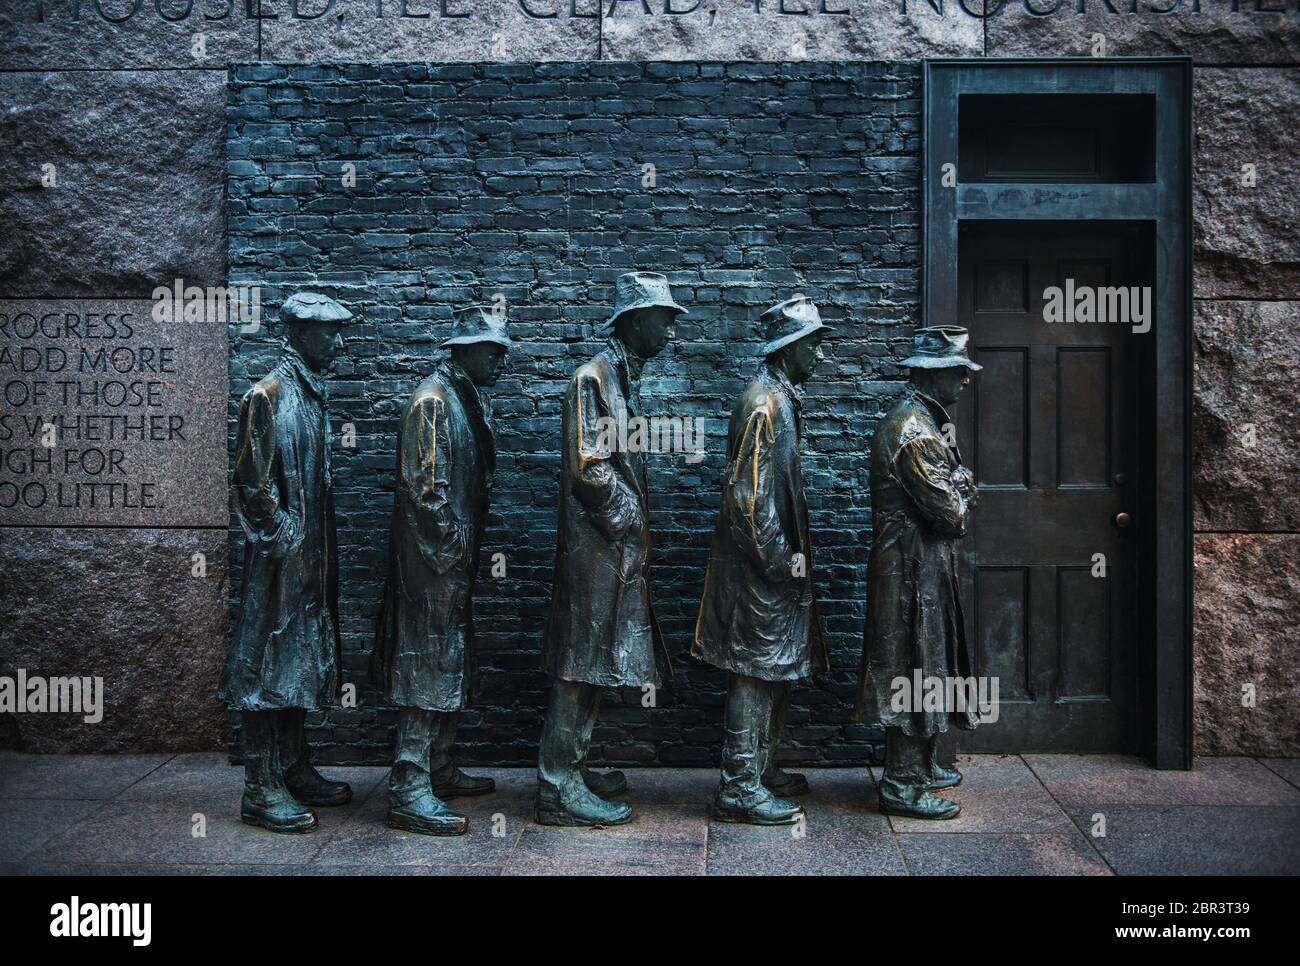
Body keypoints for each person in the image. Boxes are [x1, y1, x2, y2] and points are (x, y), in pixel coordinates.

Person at [536, 272, 685, 827]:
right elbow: (589, 465)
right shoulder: (591, 378)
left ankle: (572, 766)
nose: (670, 332)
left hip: (611, 553)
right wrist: (629, 519)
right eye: (663, 319)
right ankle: (556, 787)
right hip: (595, 553)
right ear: (634, 320)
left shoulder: (622, 377)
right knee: (579, 663)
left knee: (597, 661)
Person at [693, 295, 831, 825]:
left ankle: (762, 767)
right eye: (813, 345)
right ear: (789, 348)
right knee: (753, 672)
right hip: (759, 572)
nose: (819, 356)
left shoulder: (780, 397)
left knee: (775, 668)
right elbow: (748, 500)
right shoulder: (764, 404)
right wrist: (779, 564)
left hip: (771, 567)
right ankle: (739, 786)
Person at [372, 305, 510, 836]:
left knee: (448, 657)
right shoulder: (433, 401)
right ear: (463, 351)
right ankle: (409, 784)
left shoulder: (461, 397)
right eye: (491, 350)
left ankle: (439, 762)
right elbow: (424, 492)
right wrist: (452, 548)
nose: (500, 360)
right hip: (432, 564)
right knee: (424, 661)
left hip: (450, 562)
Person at [221, 291, 354, 834]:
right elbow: (251, 482)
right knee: (267, 662)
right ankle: (261, 784)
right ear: (300, 334)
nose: (340, 344)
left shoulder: (310, 392)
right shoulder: (267, 394)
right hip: (280, 560)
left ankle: (294, 765)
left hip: (309, 557)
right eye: (330, 334)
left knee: (298, 657)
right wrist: (281, 533)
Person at [856, 325, 982, 820]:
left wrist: (957, 487)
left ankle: (923, 766)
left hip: (922, 565)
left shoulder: (924, 422)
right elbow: (950, 515)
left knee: (930, 661)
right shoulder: (914, 432)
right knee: (913, 663)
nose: (965, 382)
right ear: (934, 375)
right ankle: (903, 785)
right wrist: (964, 489)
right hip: (911, 570)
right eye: (958, 373)